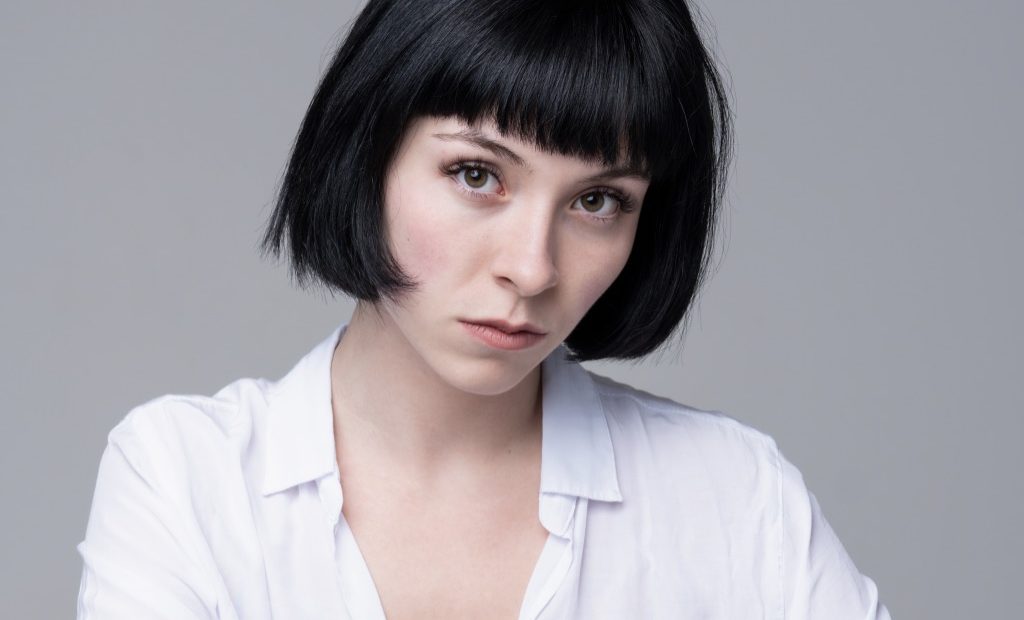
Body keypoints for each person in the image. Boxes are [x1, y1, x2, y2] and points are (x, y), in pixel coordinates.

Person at [76, 0, 892, 618]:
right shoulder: (187, 481)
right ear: (368, 155)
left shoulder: (732, 497)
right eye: (477, 175)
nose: (532, 268)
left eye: (598, 200)